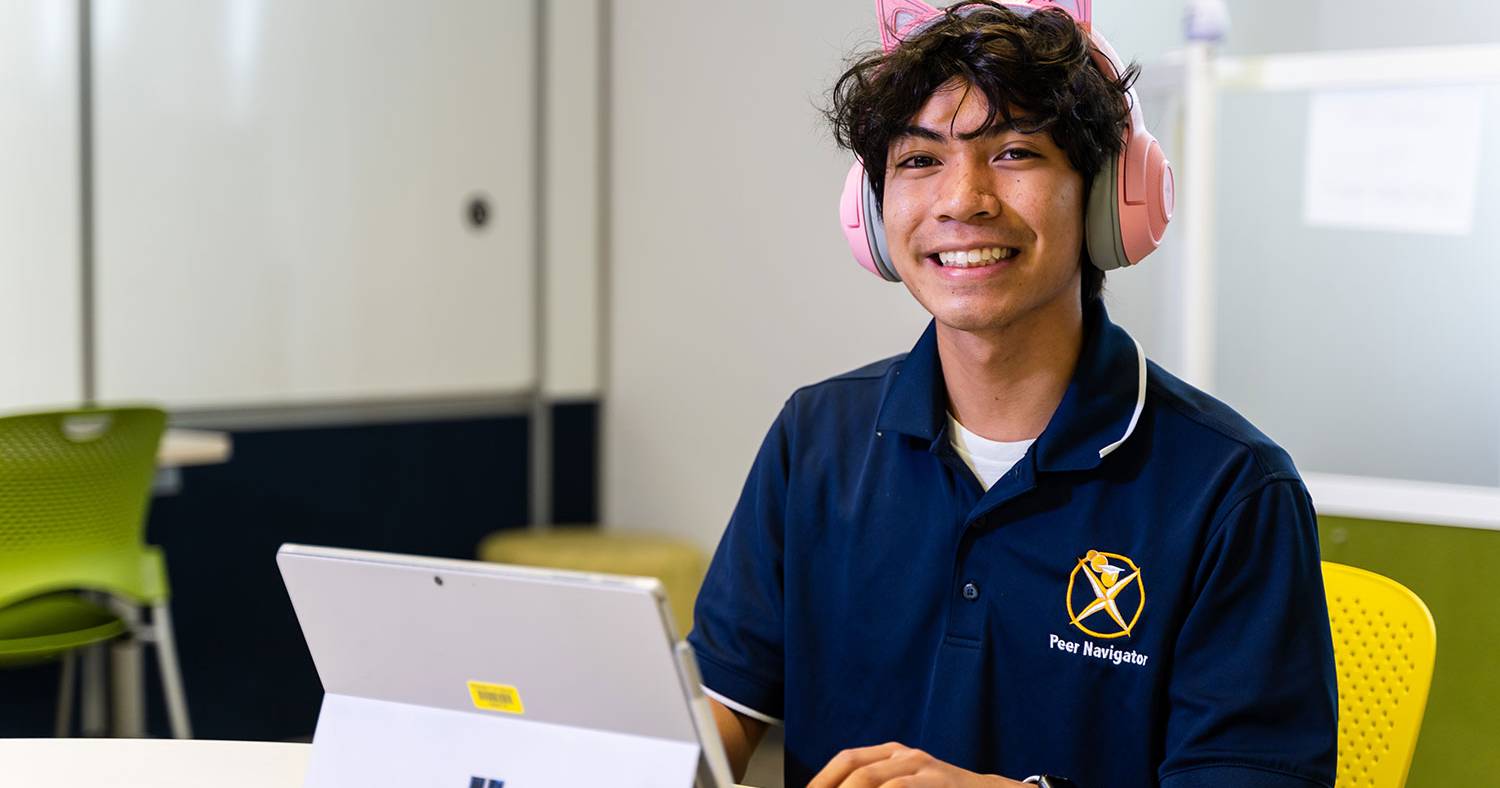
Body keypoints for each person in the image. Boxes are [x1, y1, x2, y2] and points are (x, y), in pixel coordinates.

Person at [686, 2, 1338, 787]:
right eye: (920, 161)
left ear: (1106, 199)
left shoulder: (1232, 493)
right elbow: (719, 712)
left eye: (1016, 152)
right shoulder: (816, 439)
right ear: (873, 209)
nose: (963, 200)